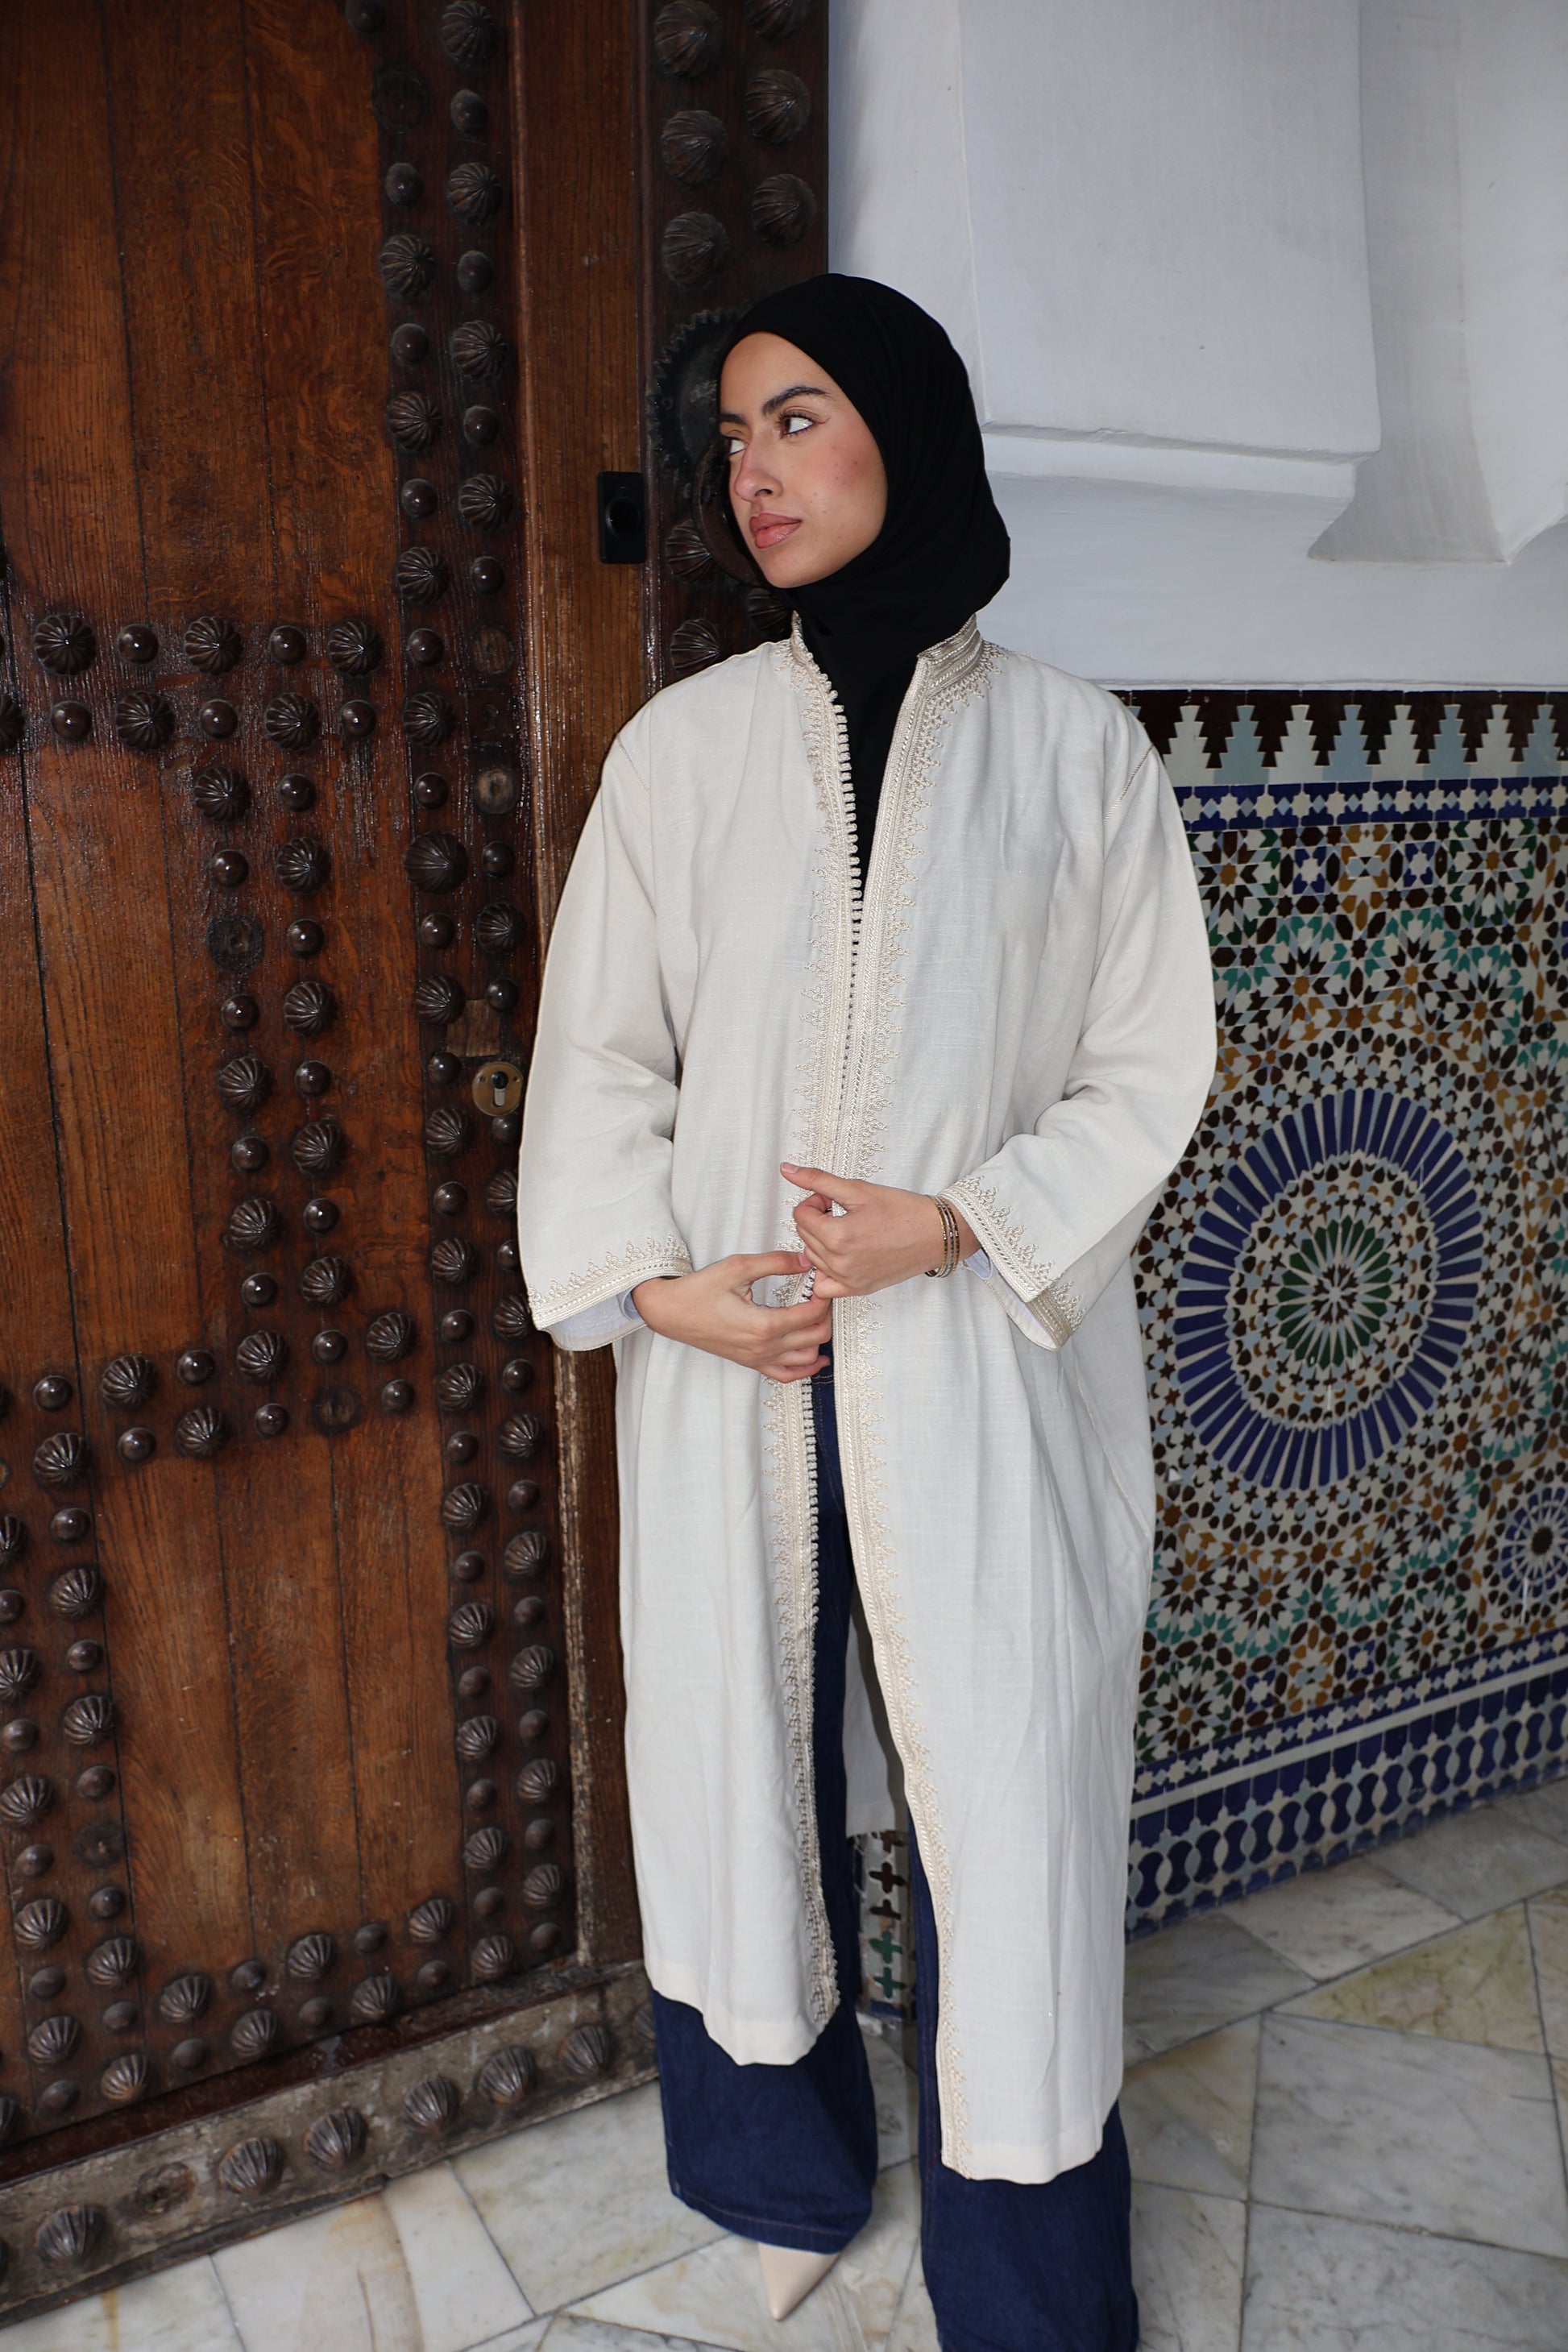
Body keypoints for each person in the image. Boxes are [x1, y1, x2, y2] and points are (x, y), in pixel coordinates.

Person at [517, 274, 1216, 2350]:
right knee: (738, 1764)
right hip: (739, 1367)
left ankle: (1029, 2277)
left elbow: (1144, 1063)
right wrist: (664, 1292)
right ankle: (777, 2170)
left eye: (799, 417)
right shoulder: (682, 752)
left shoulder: (1078, 753)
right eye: (735, 437)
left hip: (983, 1361)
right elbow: (600, 1058)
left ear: (908, 426)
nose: (755, 471)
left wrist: (969, 1225)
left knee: (1010, 1783)